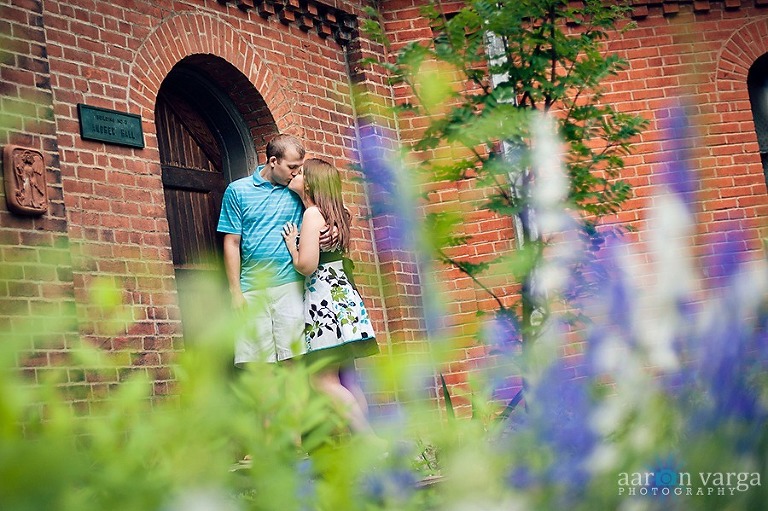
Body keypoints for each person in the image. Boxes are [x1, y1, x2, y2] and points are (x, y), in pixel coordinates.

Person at [281, 158, 380, 436]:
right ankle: (365, 441)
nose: (294, 175)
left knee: (322, 381)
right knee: (348, 379)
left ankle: (370, 442)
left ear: (310, 183)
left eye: (300, 172)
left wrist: (292, 246)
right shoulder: (338, 212)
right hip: (344, 299)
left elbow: (307, 265)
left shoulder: (312, 214)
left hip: (324, 304)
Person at [218, 133, 313, 365]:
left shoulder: (297, 189)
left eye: (300, 167)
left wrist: (302, 191)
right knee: (258, 366)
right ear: (273, 162)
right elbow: (232, 242)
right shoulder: (237, 191)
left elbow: (322, 214)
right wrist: (235, 292)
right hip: (252, 288)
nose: (297, 172)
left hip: (291, 285)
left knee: (294, 361)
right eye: (292, 167)